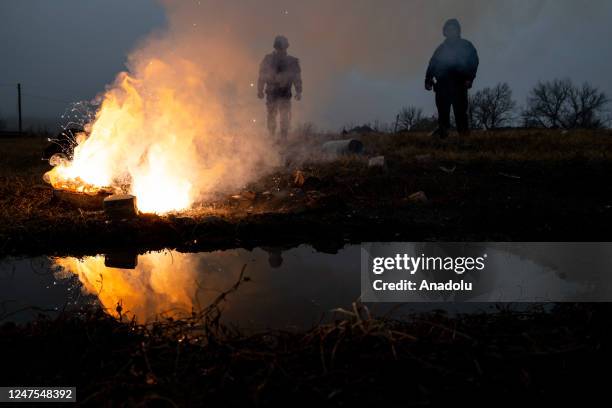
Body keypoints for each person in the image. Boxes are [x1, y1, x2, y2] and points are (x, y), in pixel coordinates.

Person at [425, 19, 479, 138]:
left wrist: (470, 78)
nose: (451, 31)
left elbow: (474, 62)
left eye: (453, 28)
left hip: (459, 84)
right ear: (445, 32)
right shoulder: (440, 49)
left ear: (458, 30)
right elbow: (432, 64)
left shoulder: (466, 46)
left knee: (460, 113)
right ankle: (443, 136)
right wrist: (428, 80)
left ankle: (464, 138)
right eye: (448, 29)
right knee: (443, 113)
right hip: (442, 85)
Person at [257, 35, 302, 142]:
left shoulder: (292, 61)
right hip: (272, 94)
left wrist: (299, 91)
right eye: (279, 47)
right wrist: (260, 90)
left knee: (284, 118)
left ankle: (283, 139)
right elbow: (262, 76)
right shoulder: (268, 59)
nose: (281, 49)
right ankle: (272, 138)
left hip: (285, 93)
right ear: (276, 47)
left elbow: (297, 77)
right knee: (272, 117)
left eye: (282, 47)